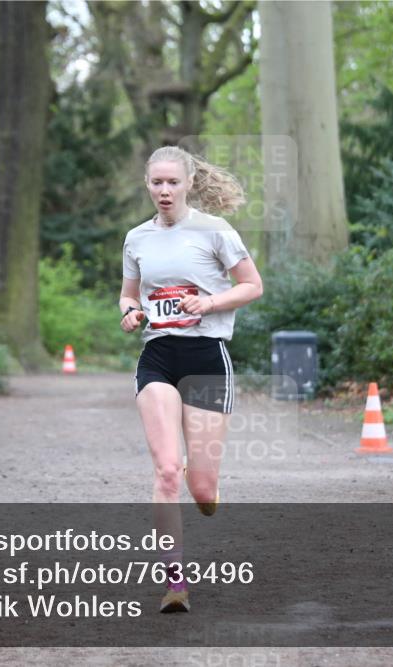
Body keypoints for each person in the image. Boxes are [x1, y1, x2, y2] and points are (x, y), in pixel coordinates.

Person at [118, 145, 263, 613]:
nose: (164, 191)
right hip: (157, 356)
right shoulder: (136, 238)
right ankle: (175, 580)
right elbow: (127, 294)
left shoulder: (214, 231)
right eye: (157, 183)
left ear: (188, 184)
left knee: (201, 488)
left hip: (206, 356)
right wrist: (131, 313)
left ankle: (202, 483)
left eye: (172, 183)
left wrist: (210, 303)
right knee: (165, 471)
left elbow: (252, 285)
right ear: (147, 184)